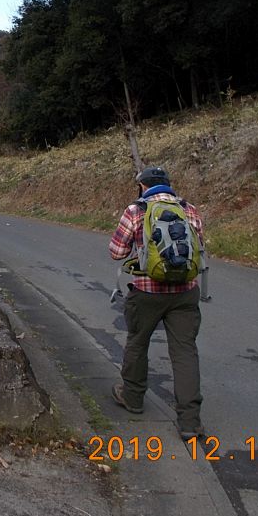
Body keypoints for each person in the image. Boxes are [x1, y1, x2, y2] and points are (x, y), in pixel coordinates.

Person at [108, 166, 205, 441]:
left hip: (147, 292)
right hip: (185, 292)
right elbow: (198, 248)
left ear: (142, 186)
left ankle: (133, 398)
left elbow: (116, 252)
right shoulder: (190, 209)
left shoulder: (136, 210)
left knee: (138, 342)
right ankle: (189, 421)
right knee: (185, 352)